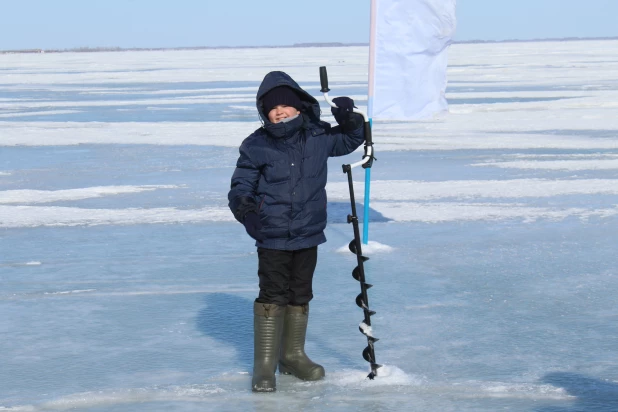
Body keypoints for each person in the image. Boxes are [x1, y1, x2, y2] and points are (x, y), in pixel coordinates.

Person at [228, 71, 365, 392]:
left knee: (300, 293)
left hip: (308, 231)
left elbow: (350, 139)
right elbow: (241, 184)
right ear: (265, 112)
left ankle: (291, 355)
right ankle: (264, 366)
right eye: (272, 108)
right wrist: (246, 212)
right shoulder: (256, 144)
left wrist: (350, 117)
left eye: (285, 106)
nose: (279, 112)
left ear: (300, 107)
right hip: (271, 232)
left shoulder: (318, 136)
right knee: (273, 293)